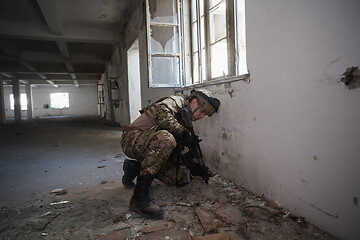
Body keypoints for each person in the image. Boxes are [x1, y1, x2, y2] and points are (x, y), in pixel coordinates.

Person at [120, 89, 220, 219]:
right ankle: (139, 198)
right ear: (194, 102)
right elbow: (161, 115)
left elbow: (173, 154)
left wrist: (192, 167)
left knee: (178, 178)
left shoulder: (185, 119)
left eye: (204, 115)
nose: (201, 116)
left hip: (147, 145)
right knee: (166, 139)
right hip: (131, 139)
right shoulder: (177, 101)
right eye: (202, 112)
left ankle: (134, 168)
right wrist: (183, 133)